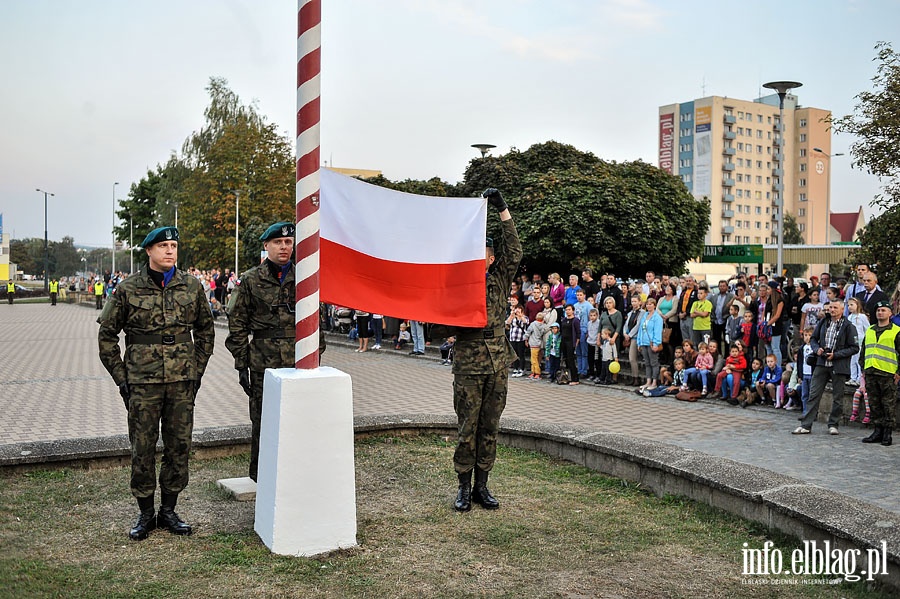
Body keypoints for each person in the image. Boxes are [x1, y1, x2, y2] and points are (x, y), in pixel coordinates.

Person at [97, 226, 215, 541]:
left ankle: (170, 510)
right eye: (163, 245)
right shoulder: (127, 289)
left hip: (181, 382)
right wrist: (122, 379)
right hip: (142, 383)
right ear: (148, 251)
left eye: (174, 245)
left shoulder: (191, 286)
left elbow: (206, 331)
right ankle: (146, 513)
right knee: (143, 448)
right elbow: (106, 336)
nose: (169, 251)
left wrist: (196, 370)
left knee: (179, 446)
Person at [226, 222, 326, 482]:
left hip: (299, 360)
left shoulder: (305, 276)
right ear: (266, 246)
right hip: (263, 363)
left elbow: (317, 319)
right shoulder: (250, 280)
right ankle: (262, 477)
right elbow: (236, 325)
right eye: (278, 243)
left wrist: (317, 353)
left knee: (300, 419)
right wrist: (241, 363)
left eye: (288, 242)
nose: (284, 247)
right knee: (263, 421)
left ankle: (296, 475)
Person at [450, 188, 522, 512]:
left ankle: (483, 485)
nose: (480, 257)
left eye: (485, 253)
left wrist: (502, 209)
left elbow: (516, 249)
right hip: (468, 361)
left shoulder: (499, 281)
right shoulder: (456, 284)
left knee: (490, 427)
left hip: (498, 361)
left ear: (491, 258)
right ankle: (463, 487)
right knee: (468, 428)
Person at [793, 300, 859, 436]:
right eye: (830, 307)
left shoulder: (848, 326)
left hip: (838, 365)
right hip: (821, 363)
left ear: (842, 309)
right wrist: (817, 349)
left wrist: (836, 355)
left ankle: (833, 424)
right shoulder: (823, 322)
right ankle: (806, 424)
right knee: (814, 394)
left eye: (835, 307)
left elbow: (854, 347)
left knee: (838, 397)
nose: (832, 310)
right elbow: (813, 339)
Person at [859, 301, 900, 446]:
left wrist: (898, 372)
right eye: (878, 310)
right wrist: (863, 367)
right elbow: (864, 350)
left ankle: (887, 433)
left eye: (883, 310)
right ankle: (877, 431)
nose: (880, 313)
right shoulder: (870, 329)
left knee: (888, 405)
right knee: (874, 404)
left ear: (890, 313)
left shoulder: (896, 331)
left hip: (888, 373)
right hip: (871, 371)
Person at [635, 296, 664, 393]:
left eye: (651, 304)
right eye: (647, 304)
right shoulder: (644, 315)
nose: (648, 306)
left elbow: (657, 331)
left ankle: (654, 382)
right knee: (647, 363)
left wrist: (656, 343)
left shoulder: (657, 317)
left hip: (652, 343)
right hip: (644, 342)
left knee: (654, 363)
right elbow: (640, 329)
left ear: (655, 306)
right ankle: (648, 381)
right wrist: (639, 342)